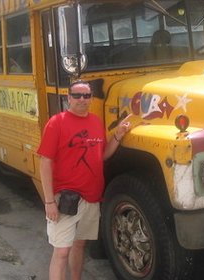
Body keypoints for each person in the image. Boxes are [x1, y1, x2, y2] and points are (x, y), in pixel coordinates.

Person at [37, 80, 131, 280]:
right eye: (77, 95)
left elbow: (102, 155)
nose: (82, 99)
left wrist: (118, 135)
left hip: (91, 198)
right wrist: (49, 201)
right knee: (62, 251)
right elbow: (45, 162)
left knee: (79, 245)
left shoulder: (96, 122)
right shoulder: (57, 123)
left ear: (90, 99)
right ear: (68, 98)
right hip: (65, 198)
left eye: (86, 96)